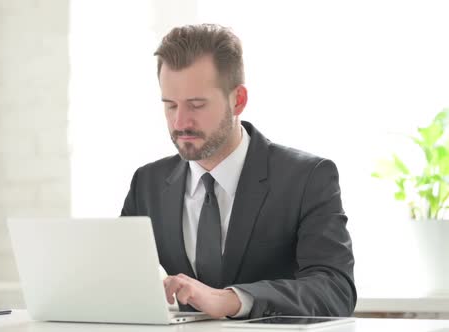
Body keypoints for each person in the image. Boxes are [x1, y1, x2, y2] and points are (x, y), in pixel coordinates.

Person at [121, 24, 356, 319]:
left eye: (196, 105)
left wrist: (232, 300)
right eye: (170, 106)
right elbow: (118, 284)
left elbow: (335, 291)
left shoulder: (307, 178)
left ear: (239, 100)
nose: (180, 122)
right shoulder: (148, 184)